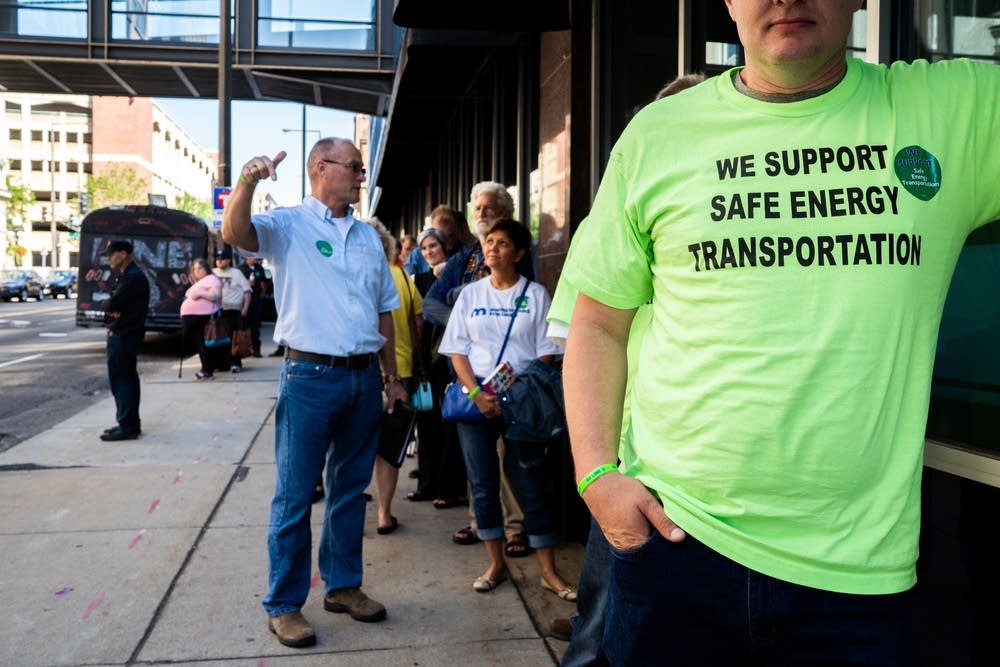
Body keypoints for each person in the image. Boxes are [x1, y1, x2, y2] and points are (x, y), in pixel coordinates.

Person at [561, 1, 1000, 665]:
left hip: (859, 579)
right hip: (674, 547)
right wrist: (597, 475)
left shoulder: (955, 113)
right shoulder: (659, 135)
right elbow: (599, 321)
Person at [222, 137, 408, 649]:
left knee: (351, 491)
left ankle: (343, 586)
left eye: (362, 169)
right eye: (354, 167)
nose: (361, 176)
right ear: (321, 168)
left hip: (361, 379)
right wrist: (248, 181)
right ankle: (283, 604)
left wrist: (390, 377)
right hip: (309, 378)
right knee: (296, 494)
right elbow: (237, 232)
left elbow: (384, 312)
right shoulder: (289, 225)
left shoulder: (368, 238)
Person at [549, 71, 705, 665]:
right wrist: (600, 473)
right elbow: (578, 335)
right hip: (634, 464)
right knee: (602, 627)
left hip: (708, 475)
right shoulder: (620, 221)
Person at [438, 218, 574, 597]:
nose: (492, 248)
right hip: (476, 403)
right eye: (489, 241)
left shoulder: (535, 294)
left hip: (522, 403)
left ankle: (549, 571)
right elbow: (457, 351)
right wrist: (477, 394)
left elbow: (547, 354)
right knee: (482, 487)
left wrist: (511, 394)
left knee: (531, 484)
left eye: (501, 243)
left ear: (518, 252)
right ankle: (495, 564)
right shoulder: (470, 295)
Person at [424, 182, 531, 555]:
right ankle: (483, 524)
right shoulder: (467, 256)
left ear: (506, 212)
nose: (481, 214)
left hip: (511, 380)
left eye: (488, 208)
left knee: (508, 460)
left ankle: (515, 526)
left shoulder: (518, 256)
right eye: (477, 209)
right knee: (479, 464)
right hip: (468, 374)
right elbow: (431, 303)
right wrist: (463, 317)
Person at [367, 216, 423, 536]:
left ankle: (350, 496)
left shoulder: (354, 278)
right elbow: (418, 321)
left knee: (355, 443)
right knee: (389, 448)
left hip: (363, 370)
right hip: (400, 370)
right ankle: (384, 513)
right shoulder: (401, 277)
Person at [406, 226, 468, 507]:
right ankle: (426, 484)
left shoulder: (453, 277)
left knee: (448, 426)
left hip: (450, 363)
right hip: (424, 365)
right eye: (424, 248)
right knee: (426, 421)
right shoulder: (416, 280)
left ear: (445, 247)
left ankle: (448, 488)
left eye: (434, 246)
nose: (429, 251)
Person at [97, 239, 150, 442]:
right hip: (123, 333)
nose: (109, 258)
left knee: (123, 380)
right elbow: (112, 304)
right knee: (121, 379)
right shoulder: (127, 276)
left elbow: (112, 302)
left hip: (125, 334)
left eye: (112, 254)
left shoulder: (133, 277)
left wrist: (108, 305)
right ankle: (126, 422)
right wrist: (110, 306)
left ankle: (128, 426)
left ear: (124, 253)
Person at [180, 257, 225, 381]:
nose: (197, 271)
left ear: (206, 268)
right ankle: (207, 368)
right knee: (200, 343)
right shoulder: (201, 282)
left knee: (202, 343)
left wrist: (200, 294)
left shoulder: (211, 279)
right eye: (195, 269)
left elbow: (216, 295)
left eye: (200, 268)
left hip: (202, 316)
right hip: (194, 316)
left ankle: (207, 370)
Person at [213, 247, 252, 373]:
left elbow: (247, 292)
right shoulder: (212, 273)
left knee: (235, 338)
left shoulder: (236, 273)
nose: (219, 261)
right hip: (217, 310)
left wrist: (245, 308)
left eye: (222, 259)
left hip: (233, 310)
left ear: (228, 260)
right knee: (218, 338)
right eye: (218, 259)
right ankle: (221, 363)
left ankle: (236, 362)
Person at [238, 254, 268, 357]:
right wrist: (247, 283)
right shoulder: (241, 269)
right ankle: (244, 349)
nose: (255, 259)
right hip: (244, 301)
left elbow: (264, 281)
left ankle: (256, 350)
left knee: (255, 327)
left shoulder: (259, 268)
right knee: (243, 326)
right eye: (253, 257)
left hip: (256, 301)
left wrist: (263, 293)